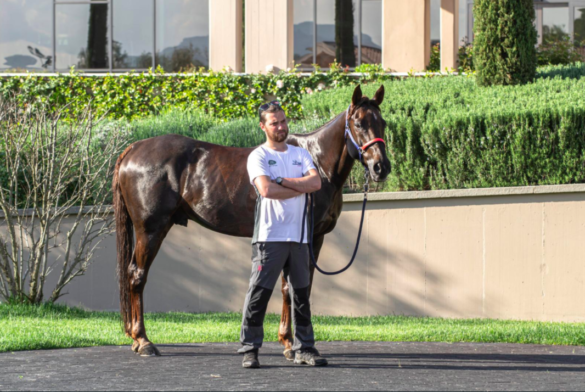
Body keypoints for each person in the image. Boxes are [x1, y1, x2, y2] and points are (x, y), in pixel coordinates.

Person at [238, 101, 327, 369]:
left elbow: (316, 183)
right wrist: (300, 187)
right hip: (269, 237)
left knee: (301, 295)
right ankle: (250, 349)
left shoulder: (300, 154)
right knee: (259, 293)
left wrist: (284, 182)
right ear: (263, 126)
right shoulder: (258, 156)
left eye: (283, 121)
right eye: (274, 123)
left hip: (299, 239)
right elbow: (266, 190)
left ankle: (305, 349)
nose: (281, 127)